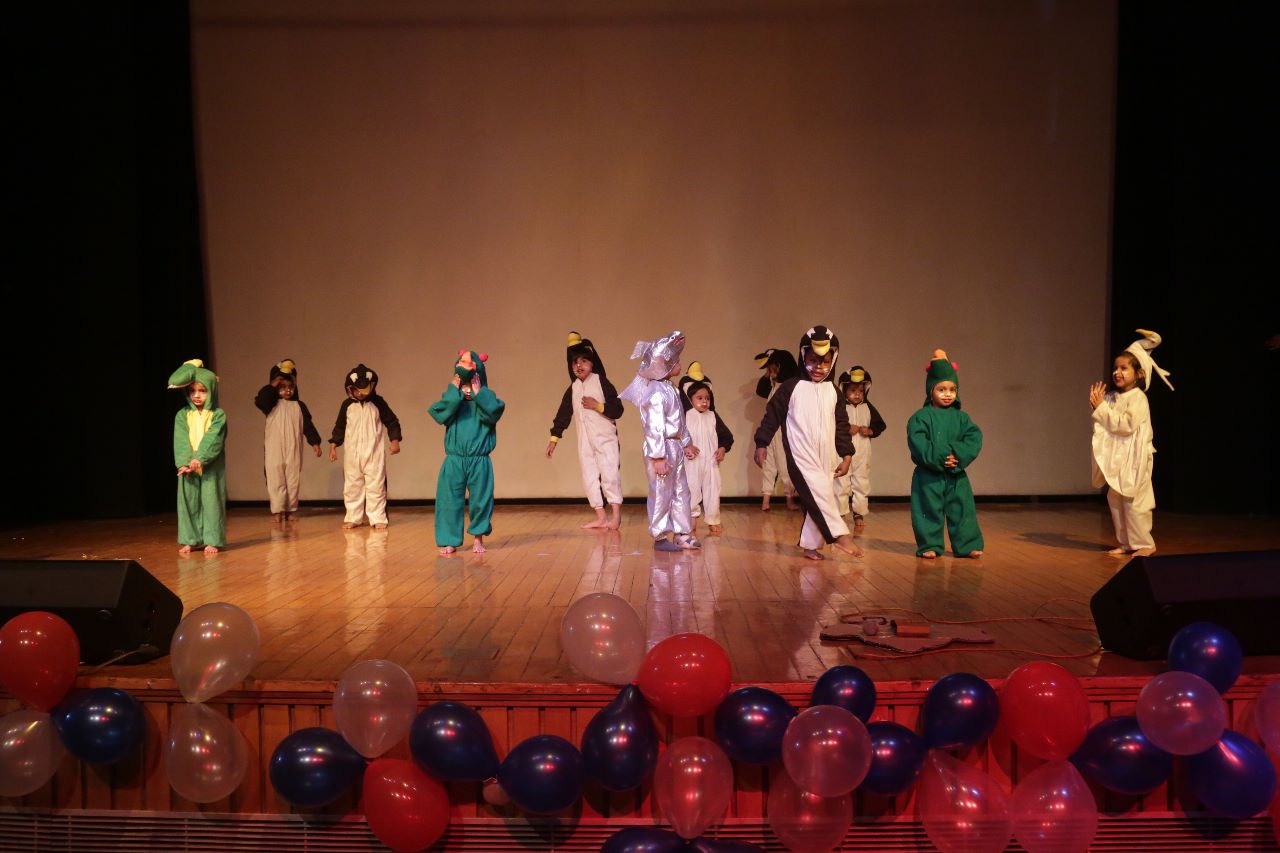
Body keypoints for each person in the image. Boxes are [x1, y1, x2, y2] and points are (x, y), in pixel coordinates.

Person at [753, 326, 861, 560]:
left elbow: (842, 425)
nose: (818, 367)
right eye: (812, 360)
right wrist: (761, 443)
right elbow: (772, 416)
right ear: (803, 357)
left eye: (824, 362)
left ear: (833, 361)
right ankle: (840, 535)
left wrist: (847, 455)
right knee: (819, 493)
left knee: (820, 495)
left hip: (826, 455)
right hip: (800, 454)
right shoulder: (791, 388)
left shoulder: (833, 392)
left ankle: (810, 545)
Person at [1090, 329, 1173, 556]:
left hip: (1136, 457)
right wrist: (1098, 406)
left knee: (1134, 499)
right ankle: (1126, 542)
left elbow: (1125, 425)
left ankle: (1144, 543)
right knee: (1115, 496)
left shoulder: (1139, 398)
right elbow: (1104, 424)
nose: (1117, 372)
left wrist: (1101, 408)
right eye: (1115, 368)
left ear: (1139, 373)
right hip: (1119, 456)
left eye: (1124, 368)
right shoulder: (1112, 397)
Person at [619, 330, 700, 551]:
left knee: (681, 490)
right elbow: (653, 427)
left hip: (675, 445)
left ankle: (683, 533)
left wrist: (686, 442)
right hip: (662, 448)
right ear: (664, 364)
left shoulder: (670, 389)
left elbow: (679, 421)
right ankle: (660, 535)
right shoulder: (655, 392)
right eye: (676, 360)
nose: (679, 364)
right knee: (661, 492)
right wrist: (658, 457)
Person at [907, 349, 983, 558]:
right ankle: (929, 545)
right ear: (930, 390)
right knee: (928, 510)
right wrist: (941, 457)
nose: (947, 394)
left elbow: (974, 438)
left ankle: (967, 544)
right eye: (941, 389)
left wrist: (958, 455)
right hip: (928, 476)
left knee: (962, 509)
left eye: (952, 389)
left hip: (956, 474)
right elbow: (918, 442)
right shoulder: (921, 417)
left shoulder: (962, 418)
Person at [545, 332, 624, 529]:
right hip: (585, 442)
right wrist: (554, 439)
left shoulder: (601, 382)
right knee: (589, 477)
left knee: (610, 475)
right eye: (575, 362)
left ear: (592, 363)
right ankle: (601, 517)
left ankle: (616, 516)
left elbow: (618, 409)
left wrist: (598, 406)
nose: (579, 365)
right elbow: (563, 414)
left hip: (605, 439)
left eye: (583, 361)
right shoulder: (573, 388)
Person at [430, 349, 505, 554]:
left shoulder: (486, 401)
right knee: (449, 500)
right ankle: (449, 540)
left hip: (479, 460)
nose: (468, 388)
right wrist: (455, 386)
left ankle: (478, 538)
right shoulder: (454, 403)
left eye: (471, 381)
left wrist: (480, 393)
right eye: (464, 382)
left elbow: (493, 412)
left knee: (481, 500)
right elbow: (440, 412)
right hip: (455, 459)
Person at [329, 363, 401, 529]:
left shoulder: (378, 403)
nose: (360, 393)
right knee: (352, 486)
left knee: (376, 486)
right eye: (356, 390)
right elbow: (340, 426)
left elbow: (392, 421)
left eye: (364, 390)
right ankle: (353, 516)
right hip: (352, 455)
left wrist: (395, 440)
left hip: (374, 453)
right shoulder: (347, 405)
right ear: (350, 389)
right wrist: (334, 444)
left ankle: (378, 517)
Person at [168, 358, 227, 555]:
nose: (196, 395)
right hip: (188, 466)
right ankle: (191, 539)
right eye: (192, 391)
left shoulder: (218, 415)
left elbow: (213, 438)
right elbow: (181, 440)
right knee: (189, 502)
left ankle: (213, 539)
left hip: (210, 466)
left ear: (211, 390)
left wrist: (199, 458)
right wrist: (184, 462)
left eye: (202, 390)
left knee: (211, 503)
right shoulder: (182, 415)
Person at [254, 359, 321, 522]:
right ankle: (278, 510)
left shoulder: (299, 406)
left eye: (290, 386)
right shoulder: (271, 405)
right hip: (275, 448)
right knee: (276, 477)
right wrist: (272, 385)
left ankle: (290, 509)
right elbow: (260, 400)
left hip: (293, 448)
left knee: (292, 478)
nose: (287, 390)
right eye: (282, 387)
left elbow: (308, 425)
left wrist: (315, 442)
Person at [834, 366, 886, 528]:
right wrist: (846, 428)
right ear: (844, 390)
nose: (857, 394)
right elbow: (832, 425)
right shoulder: (840, 408)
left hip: (863, 454)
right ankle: (841, 513)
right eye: (852, 390)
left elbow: (880, 425)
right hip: (842, 454)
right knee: (841, 483)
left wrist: (869, 431)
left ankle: (859, 512)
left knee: (861, 483)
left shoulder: (868, 407)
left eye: (861, 391)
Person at [683, 377, 734, 534]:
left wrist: (722, 448)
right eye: (699, 398)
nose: (704, 401)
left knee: (713, 489)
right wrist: (686, 446)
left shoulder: (712, 416)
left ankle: (713, 519)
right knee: (692, 489)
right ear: (690, 399)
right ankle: (691, 519)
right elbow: (676, 436)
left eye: (707, 398)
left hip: (711, 462)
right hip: (691, 462)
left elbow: (727, 437)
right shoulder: (685, 416)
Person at [754, 348, 800, 510]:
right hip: (771, 431)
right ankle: (766, 499)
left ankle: (789, 498)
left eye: (773, 369)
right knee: (768, 465)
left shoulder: (789, 387)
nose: (771, 373)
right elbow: (760, 390)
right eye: (770, 370)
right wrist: (768, 374)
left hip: (783, 430)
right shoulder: (773, 385)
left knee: (784, 464)